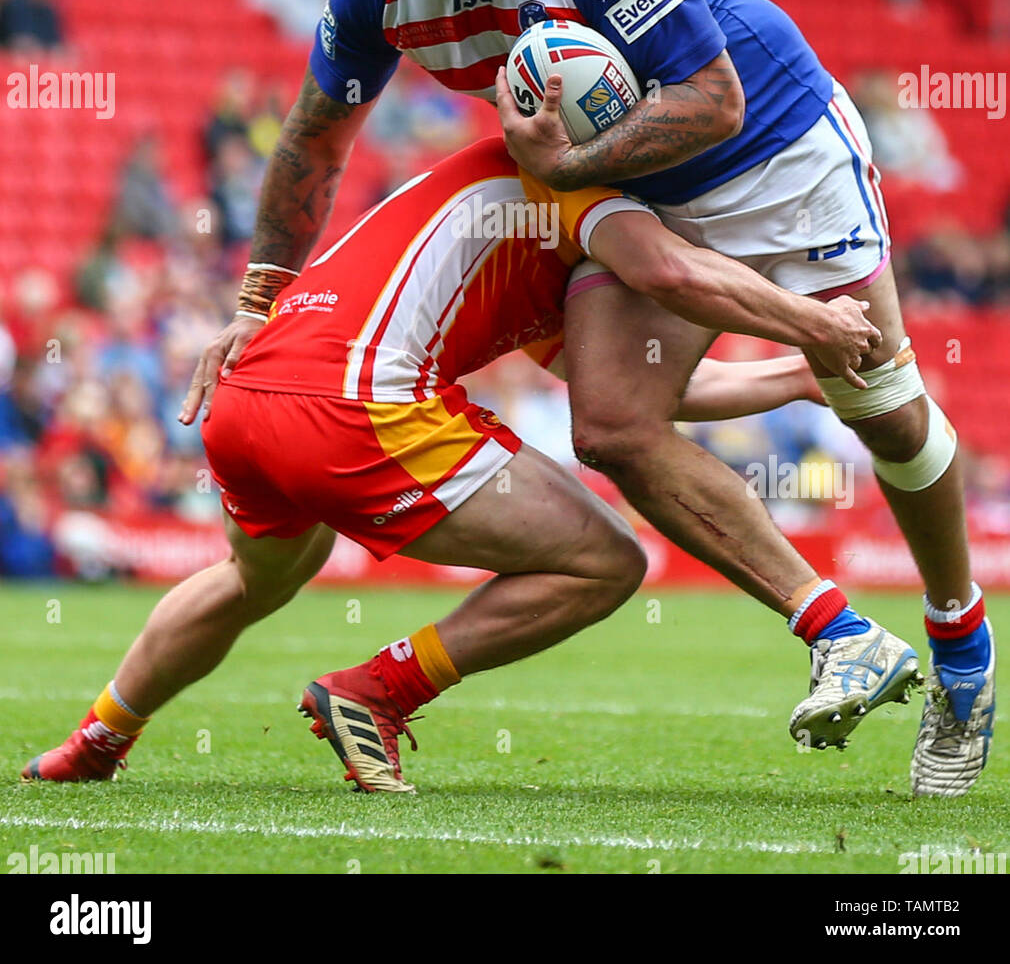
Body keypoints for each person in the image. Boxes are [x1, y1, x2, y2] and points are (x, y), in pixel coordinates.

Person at [182, 0, 993, 798]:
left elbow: (713, 99)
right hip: (624, 183)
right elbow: (312, 139)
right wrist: (260, 296)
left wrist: (565, 171)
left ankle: (960, 655)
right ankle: (837, 634)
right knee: (611, 425)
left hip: (772, 145)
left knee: (879, 400)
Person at [25, 136, 903, 790]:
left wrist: (790, 379)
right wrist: (813, 321)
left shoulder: (505, 202)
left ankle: (94, 742)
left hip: (250, 400)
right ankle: (376, 690)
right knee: (607, 560)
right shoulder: (573, 186)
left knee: (251, 579)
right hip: (356, 406)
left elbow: (632, 390)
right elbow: (670, 271)